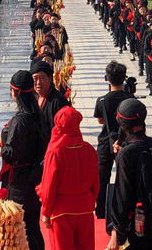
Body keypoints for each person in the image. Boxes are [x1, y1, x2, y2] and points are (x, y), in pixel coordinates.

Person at [0, 70, 49, 250]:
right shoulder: (38, 115)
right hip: (33, 176)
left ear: (14, 92)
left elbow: (12, 152)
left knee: (22, 228)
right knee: (32, 227)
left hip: (20, 181)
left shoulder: (21, 120)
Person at [107, 99, 152, 250]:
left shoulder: (126, 154)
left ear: (121, 123)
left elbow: (122, 196)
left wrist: (116, 231)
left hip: (139, 228)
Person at [37, 107, 99, 250]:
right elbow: (95, 182)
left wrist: (46, 211)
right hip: (85, 206)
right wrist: (90, 200)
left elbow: (49, 185)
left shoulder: (55, 152)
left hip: (61, 209)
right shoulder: (89, 149)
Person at [93, 60, 133, 219]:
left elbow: (100, 120)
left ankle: (101, 210)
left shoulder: (102, 100)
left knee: (102, 177)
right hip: (126, 141)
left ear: (107, 78)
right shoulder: (129, 98)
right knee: (125, 177)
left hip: (105, 141)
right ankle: (124, 209)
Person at [30, 60, 69, 134]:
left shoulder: (58, 101)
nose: (38, 82)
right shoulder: (34, 97)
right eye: (35, 79)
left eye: (42, 78)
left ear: (50, 79)